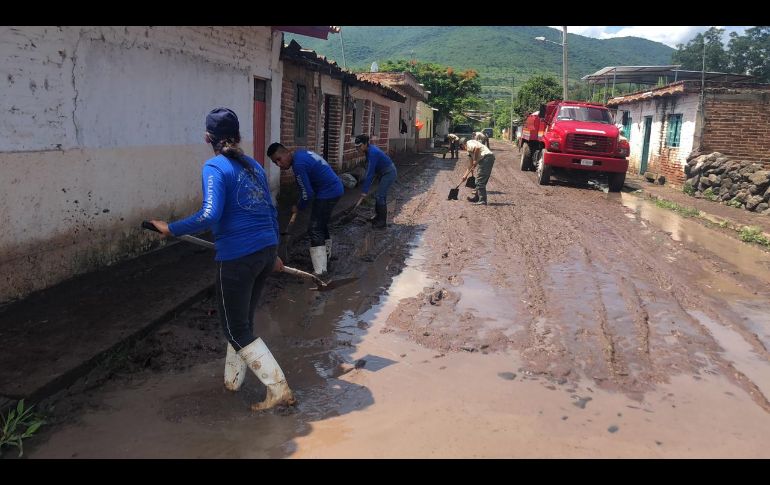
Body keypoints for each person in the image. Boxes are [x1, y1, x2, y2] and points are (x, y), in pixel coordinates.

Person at [148, 108, 295, 411]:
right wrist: (274, 253)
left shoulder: (215, 167)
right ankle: (233, 381)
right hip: (266, 250)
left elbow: (209, 215)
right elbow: (270, 209)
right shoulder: (254, 165)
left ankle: (278, 389)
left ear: (207, 138)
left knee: (234, 328)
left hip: (238, 258)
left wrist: (170, 228)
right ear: (239, 136)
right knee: (241, 322)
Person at [267, 143, 344, 277]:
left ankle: (320, 270)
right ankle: (326, 257)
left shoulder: (298, 165)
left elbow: (307, 193)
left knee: (314, 228)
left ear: (286, 153)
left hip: (328, 192)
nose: (279, 165)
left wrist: (299, 206)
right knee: (321, 225)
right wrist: (300, 202)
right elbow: (305, 189)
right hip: (333, 189)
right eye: (275, 163)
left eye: (279, 159)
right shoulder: (300, 155)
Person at [355, 134, 397, 229]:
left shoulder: (372, 153)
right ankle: (378, 218)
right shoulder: (369, 150)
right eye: (356, 147)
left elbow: (370, 173)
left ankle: (382, 223)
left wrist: (364, 191)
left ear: (365, 144)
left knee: (380, 196)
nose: (358, 149)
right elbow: (371, 171)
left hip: (389, 173)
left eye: (360, 146)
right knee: (379, 195)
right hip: (383, 172)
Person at [460, 136, 496, 205]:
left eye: (462, 147)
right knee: (479, 180)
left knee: (480, 181)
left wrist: (475, 160)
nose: (463, 149)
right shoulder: (469, 152)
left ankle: (482, 200)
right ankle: (477, 198)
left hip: (486, 158)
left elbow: (477, 148)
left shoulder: (469, 143)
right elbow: (470, 166)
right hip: (486, 159)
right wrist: (465, 176)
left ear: (463, 144)